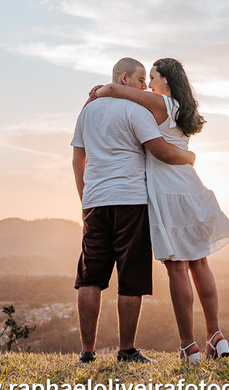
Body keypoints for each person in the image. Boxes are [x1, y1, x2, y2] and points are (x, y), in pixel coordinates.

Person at [90, 57, 229, 362]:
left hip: (169, 194)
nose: (149, 82)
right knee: (201, 265)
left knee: (177, 269)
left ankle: (188, 345)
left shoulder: (159, 104)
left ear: (166, 80)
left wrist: (101, 90)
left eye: (153, 76)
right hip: (191, 189)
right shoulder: (183, 109)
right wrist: (191, 156)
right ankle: (216, 335)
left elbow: (120, 91)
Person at [71, 57, 196, 364]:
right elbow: (160, 151)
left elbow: (78, 159)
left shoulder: (87, 110)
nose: (144, 86)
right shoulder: (136, 109)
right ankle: (126, 351)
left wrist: (85, 198)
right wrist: (189, 156)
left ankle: (87, 353)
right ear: (124, 78)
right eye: (141, 80)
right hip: (130, 200)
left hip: (95, 202)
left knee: (90, 277)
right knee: (131, 277)